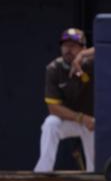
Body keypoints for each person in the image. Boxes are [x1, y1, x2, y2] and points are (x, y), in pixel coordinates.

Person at [34, 28, 95, 173]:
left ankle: (95, 174)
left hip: (92, 122)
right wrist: (80, 117)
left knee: (96, 169)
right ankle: (43, 172)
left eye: (73, 46)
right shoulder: (54, 68)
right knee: (50, 123)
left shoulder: (91, 64)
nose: (68, 49)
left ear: (82, 48)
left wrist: (83, 56)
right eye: (65, 45)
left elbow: (106, 49)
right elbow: (53, 108)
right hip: (72, 119)